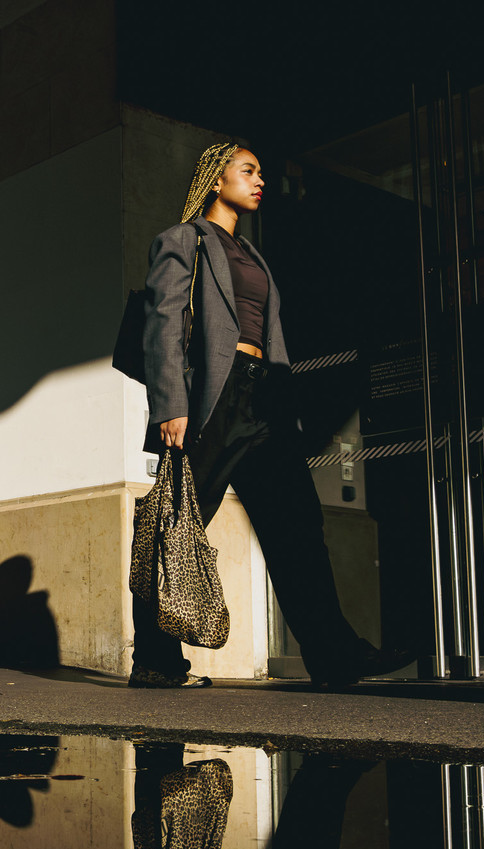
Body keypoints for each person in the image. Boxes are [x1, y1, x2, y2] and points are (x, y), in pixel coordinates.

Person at [134, 142, 411, 688]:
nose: (259, 179)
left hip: (265, 399)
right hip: (214, 399)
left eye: (261, 172)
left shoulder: (252, 255)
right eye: (248, 170)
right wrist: (170, 404)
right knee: (177, 526)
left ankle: (335, 658)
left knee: (298, 528)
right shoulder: (184, 240)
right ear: (216, 180)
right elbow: (163, 322)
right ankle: (155, 661)